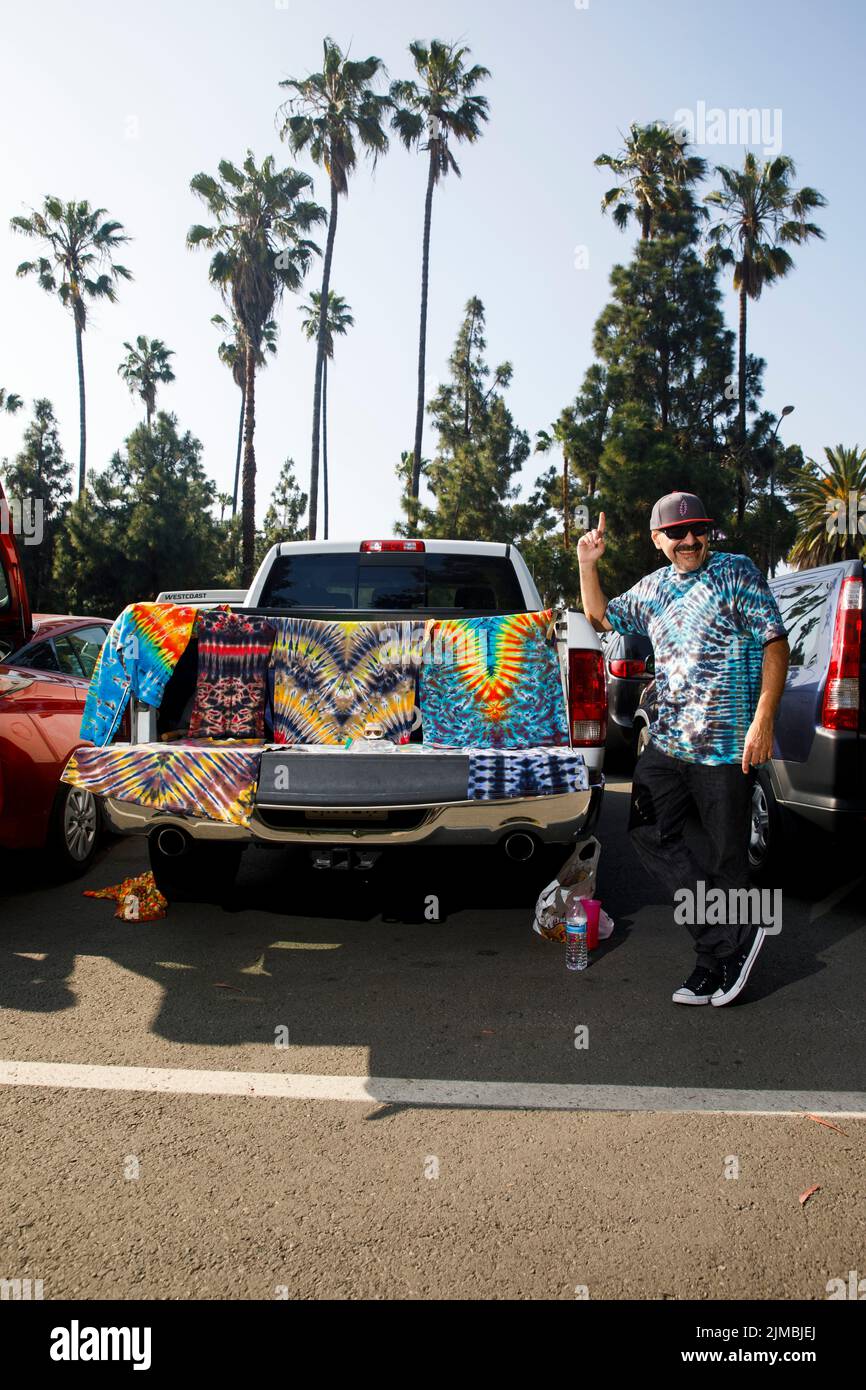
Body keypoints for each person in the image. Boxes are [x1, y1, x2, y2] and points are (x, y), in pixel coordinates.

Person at [578, 492, 789, 1007]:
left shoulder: (736, 572)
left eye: (698, 530)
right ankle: (727, 942)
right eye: (676, 533)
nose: (690, 540)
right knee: (647, 832)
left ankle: (714, 962)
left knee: (726, 859)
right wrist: (587, 563)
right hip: (669, 742)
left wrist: (763, 719)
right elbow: (601, 614)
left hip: (724, 751)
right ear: (658, 540)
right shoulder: (652, 590)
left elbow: (775, 644)